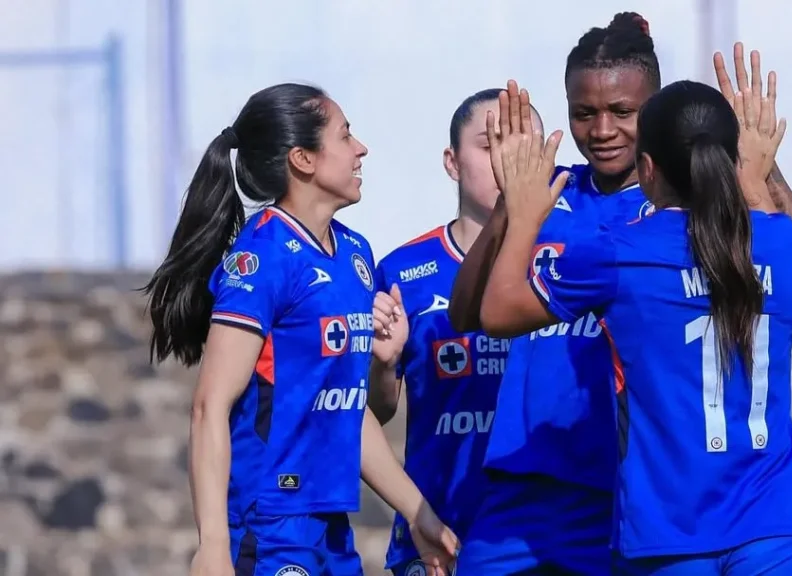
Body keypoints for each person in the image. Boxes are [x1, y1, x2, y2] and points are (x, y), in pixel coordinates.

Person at [477, 60, 792, 576]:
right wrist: (765, 177)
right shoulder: (781, 242)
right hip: (775, 530)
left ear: (647, 169)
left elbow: (496, 312)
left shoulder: (621, 252)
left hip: (669, 535)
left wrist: (521, 213)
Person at [142, 83, 458, 576]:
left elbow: (353, 411)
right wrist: (212, 545)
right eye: (345, 135)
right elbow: (210, 406)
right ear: (303, 159)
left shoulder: (355, 254)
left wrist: (419, 513)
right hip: (267, 524)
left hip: (330, 524)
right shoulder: (262, 257)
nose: (361, 149)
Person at [448, 13, 661, 575]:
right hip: (523, 482)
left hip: (622, 488)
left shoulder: (672, 212)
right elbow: (466, 313)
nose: (602, 130)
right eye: (584, 113)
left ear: (654, 110)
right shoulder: (550, 192)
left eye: (622, 112)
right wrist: (510, 207)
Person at [368, 89, 543, 576]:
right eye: (490, 145)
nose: (507, 160)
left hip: (539, 540)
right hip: (437, 538)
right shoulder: (403, 270)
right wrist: (383, 364)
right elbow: (377, 411)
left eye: (520, 144)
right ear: (452, 161)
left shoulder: (567, 263)